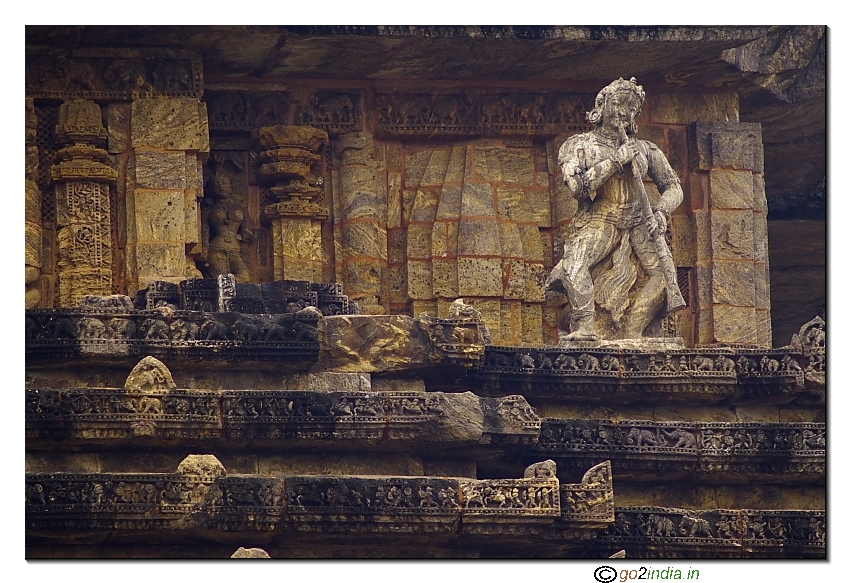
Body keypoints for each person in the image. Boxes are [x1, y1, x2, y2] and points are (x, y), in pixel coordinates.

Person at [546, 77, 683, 341]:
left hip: (639, 221)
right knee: (573, 266)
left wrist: (661, 212)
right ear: (601, 105)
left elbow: (673, 186)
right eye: (619, 103)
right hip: (601, 219)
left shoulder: (645, 149)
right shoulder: (579, 146)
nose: (624, 112)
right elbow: (577, 187)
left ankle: (634, 328)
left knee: (665, 275)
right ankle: (585, 324)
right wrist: (615, 162)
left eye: (631, 108)